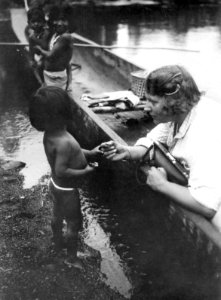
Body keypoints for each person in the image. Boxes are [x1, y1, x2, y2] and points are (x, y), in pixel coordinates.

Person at [100, 65, 221, 230]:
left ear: (174, 102)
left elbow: (207, 205)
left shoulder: (202, 132)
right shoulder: (180, 113)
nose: (146, 106)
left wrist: (162, 185)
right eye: (148, 99)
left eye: (153, 102)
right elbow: (153, 141)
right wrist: (128, 151)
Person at [29, 86, 101, 268]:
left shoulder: (52, 135)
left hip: (56, 185)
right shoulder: (64, 142)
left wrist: (90, 152)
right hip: (68, 189)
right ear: (63, 113)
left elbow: (74, 151)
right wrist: (87, 171)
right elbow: (62, 170)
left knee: (57, 215)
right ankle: (71, 258)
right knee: (73, 223)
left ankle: (58, 243)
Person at [34, 5, 74, 92]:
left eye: (63, 21)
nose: (59, 23)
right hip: (48, 75)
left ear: (69, 23)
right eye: (57, 20)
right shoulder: (55, 35)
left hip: (56, 78)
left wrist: (40, 50)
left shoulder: (65, 37)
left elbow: (50, 55)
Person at [25, 7, 50, 82]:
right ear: (29, 23)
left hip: (53, 55)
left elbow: (48, 47)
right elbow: (31, 50)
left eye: (39, 21)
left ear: (44, 22)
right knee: (38, 66)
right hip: (44, 56)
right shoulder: (31, 37)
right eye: (33, 22)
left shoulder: (48, 33)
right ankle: (43, 83)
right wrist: (32, 60)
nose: (36, 24)